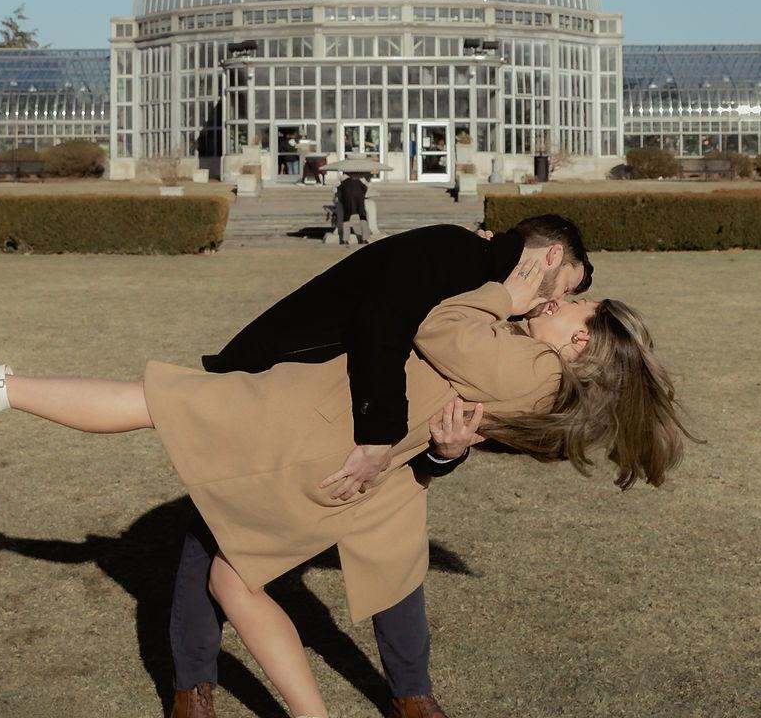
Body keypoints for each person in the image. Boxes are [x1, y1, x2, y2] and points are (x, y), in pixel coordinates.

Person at [0, 259, 692, 718]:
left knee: (153, 399)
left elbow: (440, 321)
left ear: (584, 343)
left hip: (301, 430)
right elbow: (443, 411)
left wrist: (508, 283)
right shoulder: (541, 388)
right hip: (331, 469)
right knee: (234, 581)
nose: (556, 305)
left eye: (574, 308)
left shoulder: (533, 366)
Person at [185, 217, 592, 717]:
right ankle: (192, 685)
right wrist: (377, 435)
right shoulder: (465, 261)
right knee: (211, 525)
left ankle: (411, 695)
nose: (558, 301)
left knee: (396, 559)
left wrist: (448, 452)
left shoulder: (512, 329)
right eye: (569, 288)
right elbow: (384, 324)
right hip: (302, 392)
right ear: (551, 256)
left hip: (387, 453)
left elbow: (472, 419)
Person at [334, 174, 369, 244]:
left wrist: (342, 201)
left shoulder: (343, 184)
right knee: (363, 218)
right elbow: (365, 188)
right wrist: (362, 196)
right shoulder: (358, 181)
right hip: (359, 202)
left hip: (348, 203)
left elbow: (339, 195)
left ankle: (346, 239)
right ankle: (365, 239)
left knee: (346, 219)